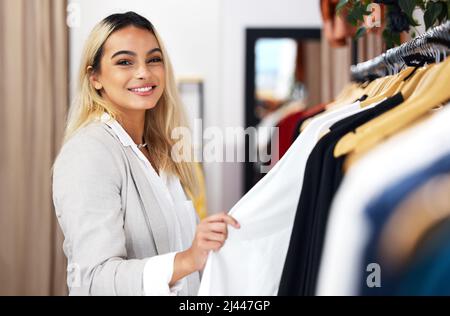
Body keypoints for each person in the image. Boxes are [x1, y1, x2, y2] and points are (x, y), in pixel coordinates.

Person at [52, 11, 240, 296]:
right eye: (125, 62)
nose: (144, 72)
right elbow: (93, 279)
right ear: (95, 78)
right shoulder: (89, 152)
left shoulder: (163, 149)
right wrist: (188, 258)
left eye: (154, 59)